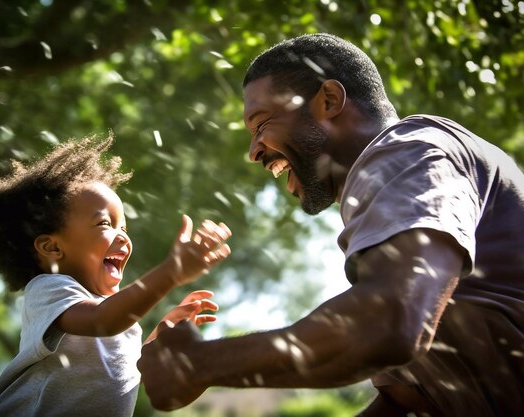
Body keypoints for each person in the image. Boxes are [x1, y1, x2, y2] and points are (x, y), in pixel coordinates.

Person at [137, 34, 524, 417]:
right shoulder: (387, 217)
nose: (254, 151)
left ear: (330, 101)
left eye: (261, 124)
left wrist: (199, 363)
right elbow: (410, 403)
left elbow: (391, 324)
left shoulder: (408, 151)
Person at [0, 135, 231, 417]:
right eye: (105, 223)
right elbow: (102, 321)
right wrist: (171, 273)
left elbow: (122, 375)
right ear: (52, 247)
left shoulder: (118, 316)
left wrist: (161, 332)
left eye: (124, 228)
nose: (123, 238)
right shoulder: (49, 290)